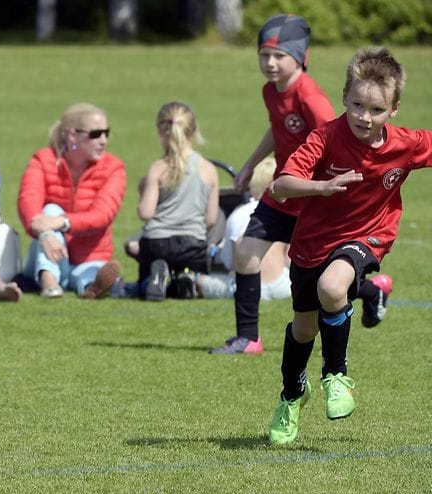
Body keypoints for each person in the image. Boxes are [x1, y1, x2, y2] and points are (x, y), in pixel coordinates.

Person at [267, 46, 430, 445]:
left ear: (393, 109)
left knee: (333, 287)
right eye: (357, 104)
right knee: (303, 330)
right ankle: (292, 394)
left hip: (368, 235)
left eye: (376, 109)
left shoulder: (406, 144)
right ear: (344, 97)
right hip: (312, 242)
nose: (364, 116)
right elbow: (280, 186)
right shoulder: (325, 137)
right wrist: (321, 187)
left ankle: (335, 377)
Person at [209, 14, 334, 352]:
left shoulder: (310, 97)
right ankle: (249, 338)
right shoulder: (271, 91)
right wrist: (250, 164)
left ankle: (372, 289)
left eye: (280, 56)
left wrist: (318, 187)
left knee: (324, 276)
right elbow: (277, 130)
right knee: (247, 253)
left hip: (309, 196)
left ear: (301, 57)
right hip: (281, 191)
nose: (270, 62)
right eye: (264, 55)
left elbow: (333, 139)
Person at [16, 102, 125, 299]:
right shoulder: (43, 160)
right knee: (50, 210)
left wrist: (63, 222)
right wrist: (45, 233)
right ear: (72, 135)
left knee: (90, 275)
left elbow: (103, 214)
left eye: (106, 133)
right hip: (46, 249)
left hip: (90, 256)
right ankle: (49, 278)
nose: (103, 140)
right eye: (95, 134)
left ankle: (91, 288)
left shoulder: (113, 168)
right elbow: (27, 202)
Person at [134, 101, 219, 301]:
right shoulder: (208, 169)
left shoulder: (158, 167)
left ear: (160, 130)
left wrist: (142, 192)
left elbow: (145, 212)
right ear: (193, 129)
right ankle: (187, 276)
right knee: (192, 272)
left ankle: (154, 279)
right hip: (192, 243)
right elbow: (211, 219)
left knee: (142, 285)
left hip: (157, 242)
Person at [195, 157, 291, 300]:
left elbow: (229, 264)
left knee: (201, 280)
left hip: (246, 285)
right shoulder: (284, 213)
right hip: (282, 287)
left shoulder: (238, 215)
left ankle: (190, 280)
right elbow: (288, 260)